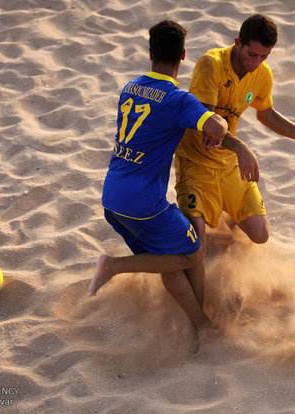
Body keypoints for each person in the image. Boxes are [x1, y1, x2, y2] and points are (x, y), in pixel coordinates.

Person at [88, 20, 228, 345]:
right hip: (144, 203)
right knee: (193, 251)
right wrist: (214, 121)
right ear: (183, 55)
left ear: (150, 53)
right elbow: (217, 129)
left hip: (112, 197)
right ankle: (112, 267)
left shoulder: (129, 87)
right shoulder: (179, 99)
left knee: (169, 262)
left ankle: (201, 326)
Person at [175, 14, 295, 247]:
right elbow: (208, 123)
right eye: (252, 54)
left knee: (260, 235)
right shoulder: (211, 63)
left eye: (264, 56)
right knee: (194, 242)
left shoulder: (263, 74)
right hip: (196, 160)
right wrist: (242, 148)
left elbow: (267, 115)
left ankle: (227, 209)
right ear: (238, 43)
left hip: (228, 161)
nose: (256, 62)